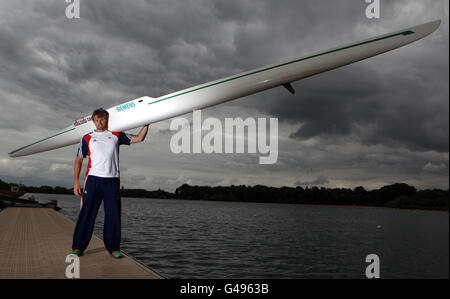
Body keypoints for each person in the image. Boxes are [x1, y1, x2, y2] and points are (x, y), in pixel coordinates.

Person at [71, 108, 149, 259]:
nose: (100, 122)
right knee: (87, 214)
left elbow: (139, 138)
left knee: (113, 214)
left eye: (103, 119)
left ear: (107, 120)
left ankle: (114, 248)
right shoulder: (87, 138)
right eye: (97, 120)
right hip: (93, 179)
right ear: (93, 121)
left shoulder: (116, 135)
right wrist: (76, 183)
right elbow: (79, 160)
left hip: (112, 180)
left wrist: (146, 124)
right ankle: (78, 247)